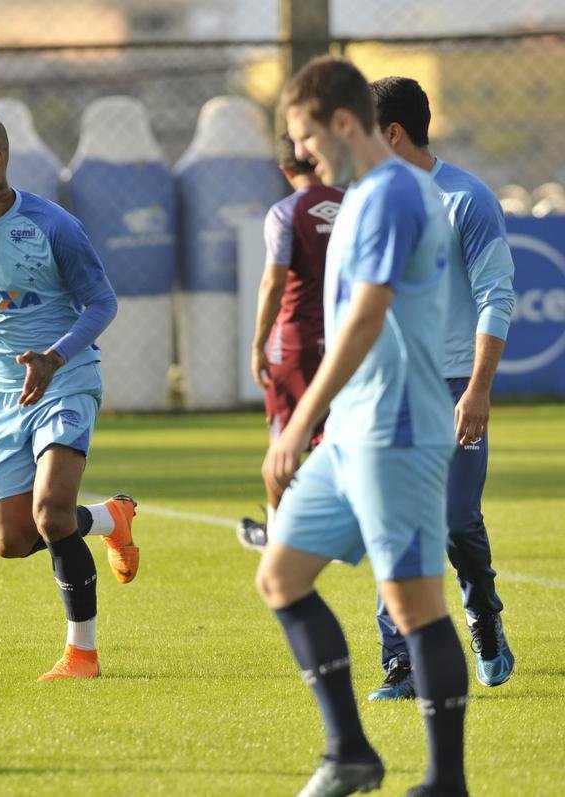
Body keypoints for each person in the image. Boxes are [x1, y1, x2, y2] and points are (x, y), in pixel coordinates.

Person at [258, 57, 468, 796]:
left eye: (306, 139)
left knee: (414, 604)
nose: (303, 155)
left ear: (343, 124)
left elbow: (366, 314)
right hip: (353, 432)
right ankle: (351, 751)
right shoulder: (359, 196)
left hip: (399, 431)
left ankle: (446, 780)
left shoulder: (393, 197)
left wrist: (295, 422)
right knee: (281, 576)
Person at [0, 113, 138, 681]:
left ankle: (82, 655)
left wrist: (55, 357)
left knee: (50, 512)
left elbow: (101, 303)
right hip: (1, 395)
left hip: (64, 379)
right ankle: (111, 518)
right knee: (11, 538)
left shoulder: (53, 226)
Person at [362, 75, 517, 701]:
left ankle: (482, 612)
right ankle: (400, 661)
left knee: (454, 522)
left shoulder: (467, 199)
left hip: (455, 383)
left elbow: (496, 295)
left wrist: (477, 388)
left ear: (392, 134)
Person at [237, 135, 343, 549]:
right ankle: (333, 528)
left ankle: (279, 533)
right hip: (347, 338)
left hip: (295, 340)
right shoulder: (354, 204)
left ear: (286, 170)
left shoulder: (285, 211)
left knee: (286, 442)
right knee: (336, 435)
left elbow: (274, 280)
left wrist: (258, 343)